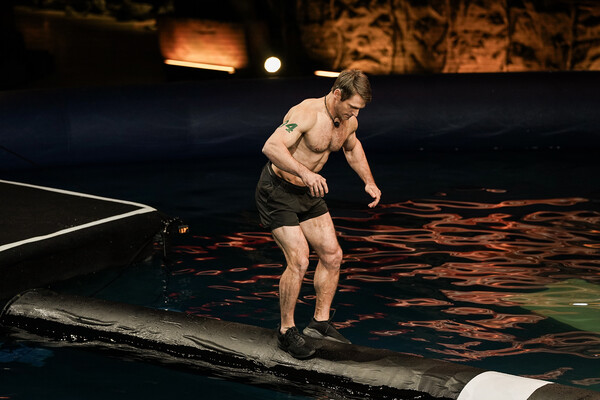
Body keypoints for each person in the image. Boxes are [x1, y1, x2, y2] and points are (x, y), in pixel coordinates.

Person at [255, 69, 381, 359]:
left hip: (308, 193)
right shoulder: (306, 113)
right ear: (337, 94)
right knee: (299, 259)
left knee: (333, 255)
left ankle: (319, 324)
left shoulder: (348, 121)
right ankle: (286, 331)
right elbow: (270, 147)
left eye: (360, 109)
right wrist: (305, 173)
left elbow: (352, 148)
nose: (355, 113)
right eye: (352, 106)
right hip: (278, 191)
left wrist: (369, 181)